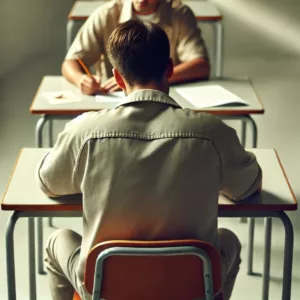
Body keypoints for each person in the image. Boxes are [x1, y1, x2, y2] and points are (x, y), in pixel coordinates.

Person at [37, 20, 262, 300]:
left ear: (118, 78)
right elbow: (247, 187)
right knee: (228, 239)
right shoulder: (213, 132)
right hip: (189, 286)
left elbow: (48, 183)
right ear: (169, 68)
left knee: (56, 240)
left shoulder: (84, 131)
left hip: (106, 287)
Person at [62, 0, 210, 95]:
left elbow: (201, 65)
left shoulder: (179, 14)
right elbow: (70, 62)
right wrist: (80, 79)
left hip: (166, 99)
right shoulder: (105, 15)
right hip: (115, 100)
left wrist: (140, 81)